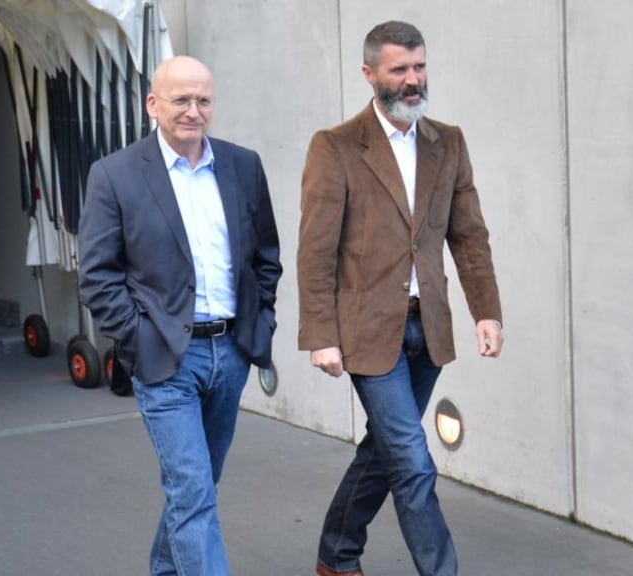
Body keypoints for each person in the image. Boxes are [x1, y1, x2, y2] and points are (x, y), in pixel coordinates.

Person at [298, 21, 503, 576]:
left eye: (419, 67)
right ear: (370, 74)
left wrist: (486, 310)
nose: (413, 81)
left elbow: (468, 235)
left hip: (426, 328)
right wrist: (321, 337)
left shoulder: (448, 142)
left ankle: (336, 556)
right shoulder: (336, 148)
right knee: (413, 464)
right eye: (399, 70)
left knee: (384, 452)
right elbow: (316, 251)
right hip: (366, 332)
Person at [78, 55, 282, 576]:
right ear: (153, 104)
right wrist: (138, 341)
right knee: (191, 490)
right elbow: (97, 276)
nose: (193, 111)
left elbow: (265, 257)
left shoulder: (242, 165)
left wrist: (259, 326)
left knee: (197, 487)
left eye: (203, 100)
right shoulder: (115, 175)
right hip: (167, 357)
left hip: (231, 353)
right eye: (181, 100)